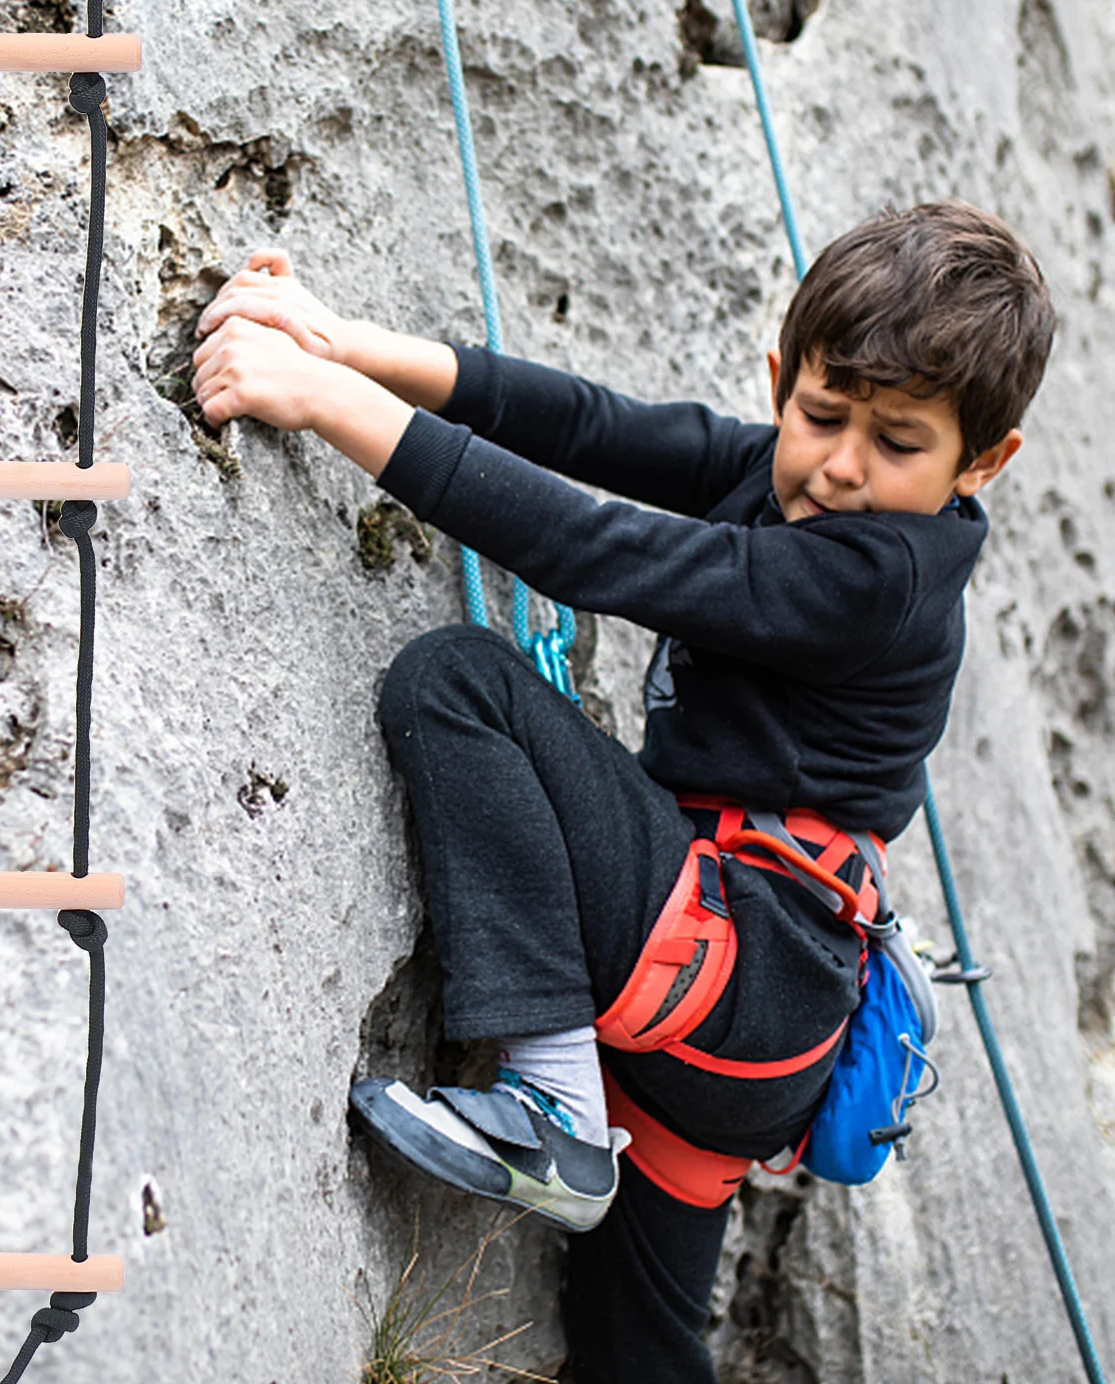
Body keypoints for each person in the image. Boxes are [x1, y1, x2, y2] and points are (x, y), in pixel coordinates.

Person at [189, 201, 1056, 1381]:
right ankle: (581, 1119)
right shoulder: (784, 475)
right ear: (781, 380)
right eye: (819, 415)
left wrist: (327, 404)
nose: (842, 466)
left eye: (898, 443)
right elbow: (594, 427)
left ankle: (551, 1106)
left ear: (981, 463)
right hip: (734, 1030)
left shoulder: (878, 576)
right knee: (630, 1353)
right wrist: (351, 345)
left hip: (741, 971)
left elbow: (603, 551)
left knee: (460, 683)